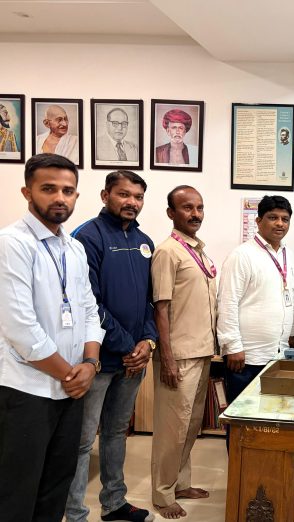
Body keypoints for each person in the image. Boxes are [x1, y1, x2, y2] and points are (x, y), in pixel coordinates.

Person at [0, 153, 104, 521]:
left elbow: (89, 310)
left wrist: (90, 364)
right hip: (26, 389)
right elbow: (20, 327)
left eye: (68, 190)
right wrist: (72, 375)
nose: (60, 197)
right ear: (27, 192)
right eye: (49, 188)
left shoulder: (74, 248)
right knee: (16, 492)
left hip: (70, 390)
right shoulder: (11, 243)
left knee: (55, 487)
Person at [65, 171, 156, 522]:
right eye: (123, 194)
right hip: (98, 360)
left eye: (138, 196)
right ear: (105, 196)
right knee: (82, 440)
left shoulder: (144, 241)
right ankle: (75, 513)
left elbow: (149, 301)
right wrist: (128, 345)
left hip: (133, 360)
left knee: (117, 432)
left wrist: (147, 342)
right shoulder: (86, 237)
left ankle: (114, 503)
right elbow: (89, 303)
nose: (132, 202)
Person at [150, 185, 217, 519]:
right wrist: (167, 357)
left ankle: (180, 484)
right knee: (171, 430)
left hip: (202, 351)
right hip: (178, 355)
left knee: (190, 427)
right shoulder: (167, 251)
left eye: (199, 208)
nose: (195, 214)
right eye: (187, 208)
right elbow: (160, 308)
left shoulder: (199, 250)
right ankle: (162, 495)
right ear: (171, 213)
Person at [217, 195, 294, 406]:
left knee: (272, 413)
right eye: (273, 217)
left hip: (278, 353)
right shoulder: (242, 255)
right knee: (243, 416)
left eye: (285, 219)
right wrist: (232, 346)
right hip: (246, 356)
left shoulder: (289, 255)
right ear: (258, 220)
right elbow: (227, 302)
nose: (280, 223)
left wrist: (291, 333)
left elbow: (292, 296)